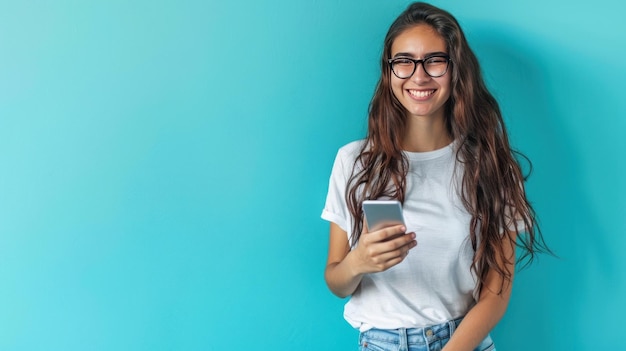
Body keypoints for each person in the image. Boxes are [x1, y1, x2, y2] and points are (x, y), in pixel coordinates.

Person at [321, 2, 550, 350]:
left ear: (456, 68)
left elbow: (496, 295)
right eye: (404, 62)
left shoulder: (492, 166)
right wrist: (358, 262)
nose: (419, 75)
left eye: (434, 60)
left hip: (463, 342)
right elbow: (337, 282)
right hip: (382, 342)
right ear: (389, 71)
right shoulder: (354, 161)